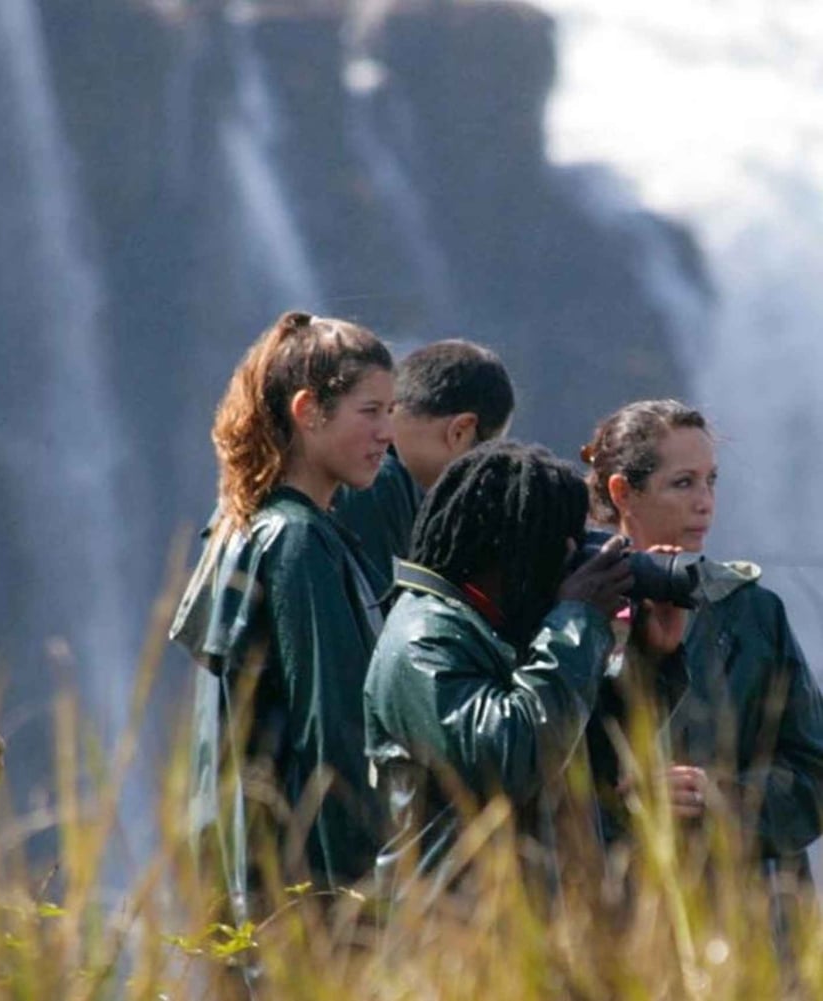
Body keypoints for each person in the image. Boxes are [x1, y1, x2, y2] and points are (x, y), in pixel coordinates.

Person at [170, 311, 394, 931]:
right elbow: (336, 733)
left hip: (241, 887)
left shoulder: (240, 525)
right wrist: (371, 898)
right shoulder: (298, 543)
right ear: (308, 411)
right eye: (370, 411)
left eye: (392, 411)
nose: (387, 432)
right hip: (307, 901)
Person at [362, 441, 632, 902]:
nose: (571, 562)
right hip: (444, 940)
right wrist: (576, 619)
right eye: (562, 546)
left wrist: (653, 657)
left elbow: (591, 760)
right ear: (513, 549)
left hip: (518, 939)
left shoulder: (498, 629)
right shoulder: (424, 638)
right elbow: (508, 761)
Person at [581, 400, 823, 887]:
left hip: (745, 921)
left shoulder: (753, 612)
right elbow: (535, 779)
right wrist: (624, 802)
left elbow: (812, 778)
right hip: (618, 913)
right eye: (683, 483)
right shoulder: (575, 614)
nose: (705, 502)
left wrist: (718, 796)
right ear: (623, 492)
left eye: (711, 481)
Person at [333, 338, 514, 583]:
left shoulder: (374, 469)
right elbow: (382, 615)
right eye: (483, 455)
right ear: (461, 430)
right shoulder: (376, 481)